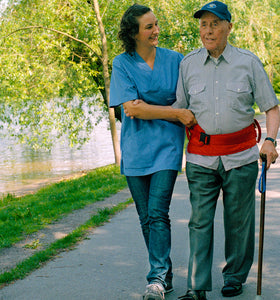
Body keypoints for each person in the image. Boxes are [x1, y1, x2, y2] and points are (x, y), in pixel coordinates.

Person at [125, 1, 280, 300]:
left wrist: (270, 140)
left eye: (215, 23)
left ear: (228, 27)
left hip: (241, 156)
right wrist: (142, 109)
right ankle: (197, 288)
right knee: (199, 221)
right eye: (203, 24)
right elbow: (179, 110)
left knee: (239, 221)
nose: (208, 30)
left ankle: (234, 276)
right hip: (200, 157)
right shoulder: (189, 64)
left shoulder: (248, 62)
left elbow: (271, 108)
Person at [109, 4, 196, 300]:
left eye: (156, 24)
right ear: (133, 33)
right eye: (149, 27)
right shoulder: (122, 64)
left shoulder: (175, 60)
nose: (156, 30)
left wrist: (150, 110)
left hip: (168, 149)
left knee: (158, 213)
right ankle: (165, 276)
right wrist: (173, 112)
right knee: (145, 216)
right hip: (135, 150)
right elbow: (130, 108)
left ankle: (156, 278)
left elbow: (188, 100)